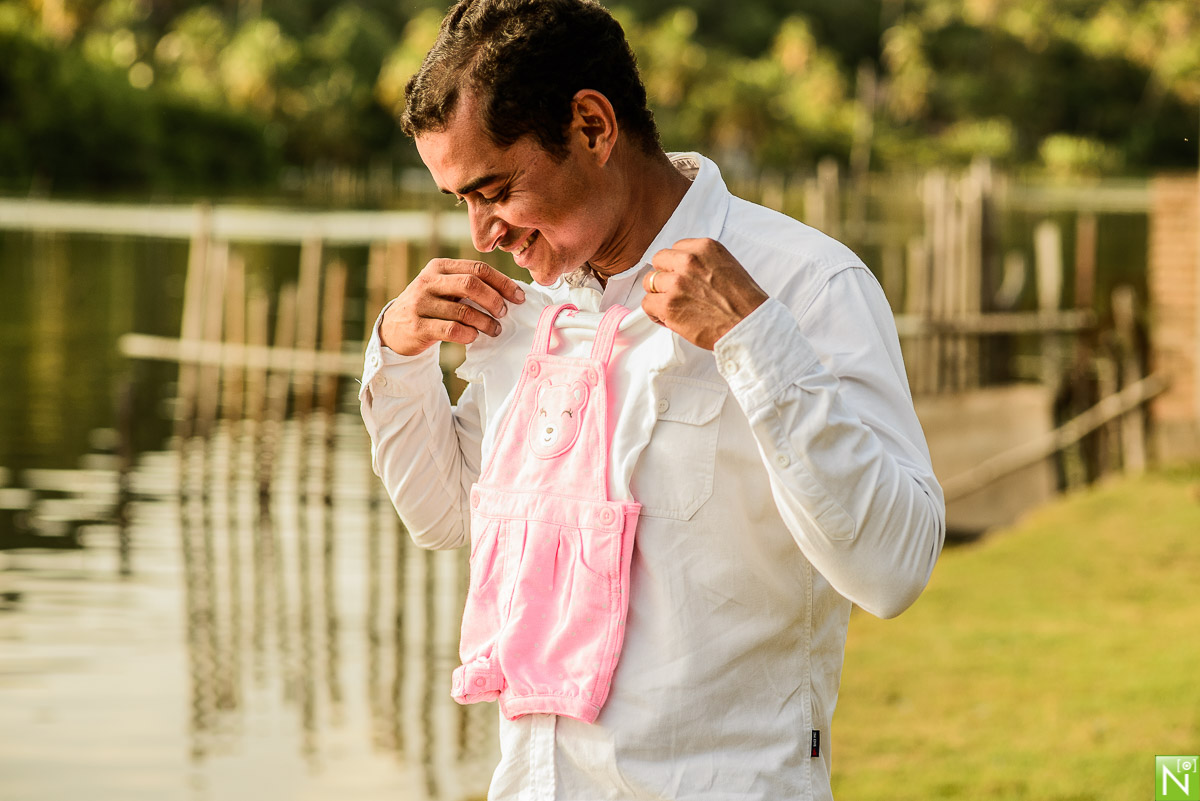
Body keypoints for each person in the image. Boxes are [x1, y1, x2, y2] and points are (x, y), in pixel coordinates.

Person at [359, 0, 945, 798]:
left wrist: (756, 341)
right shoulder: (531, 310)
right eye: (458, 200)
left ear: (592, 127)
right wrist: (397, 356)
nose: (480, 234)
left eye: (492, 190)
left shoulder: (807, 284)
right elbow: (444, 515)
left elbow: (893, 569)